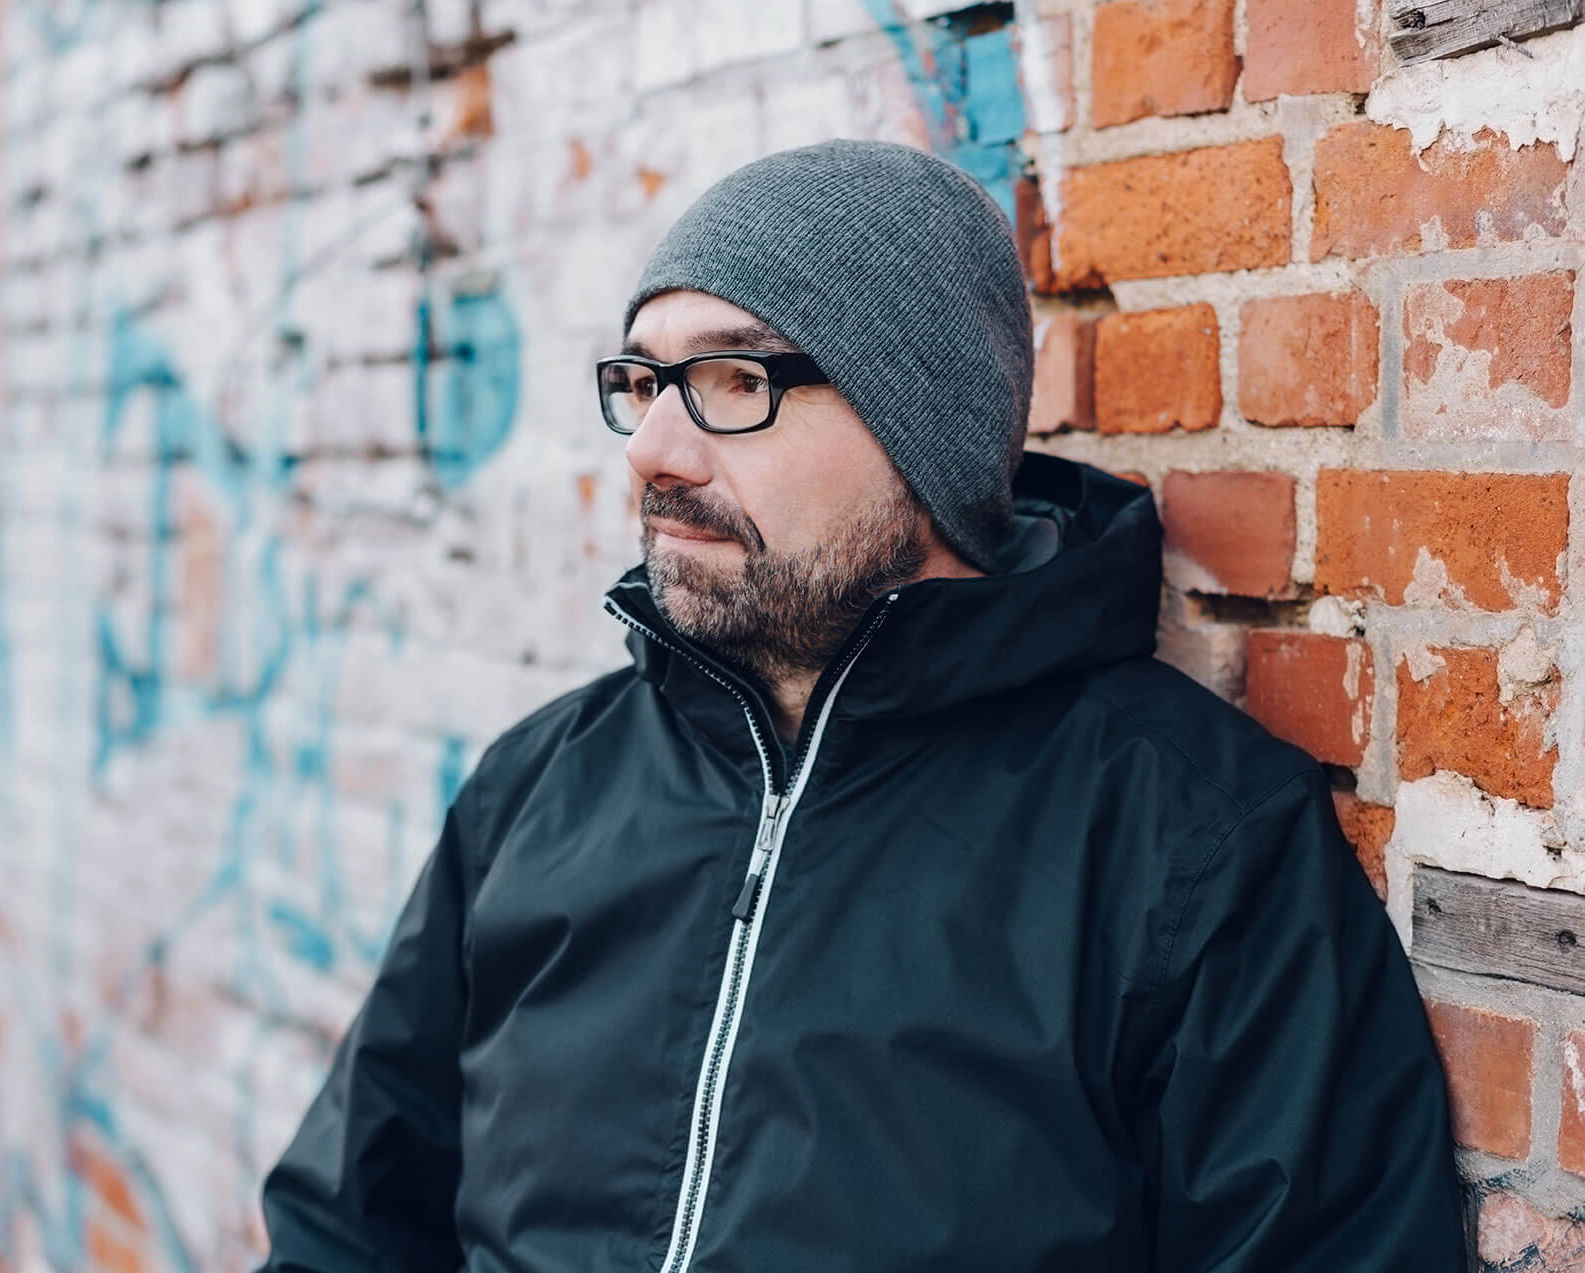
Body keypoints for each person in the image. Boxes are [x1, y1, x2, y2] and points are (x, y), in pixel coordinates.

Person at [253, 138, 1467, 1271]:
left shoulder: (1188, 843)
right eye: (641, 381)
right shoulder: (538, 790)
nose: (653, 449)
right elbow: (342, 1229)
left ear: (919, 432)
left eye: (733, 378)